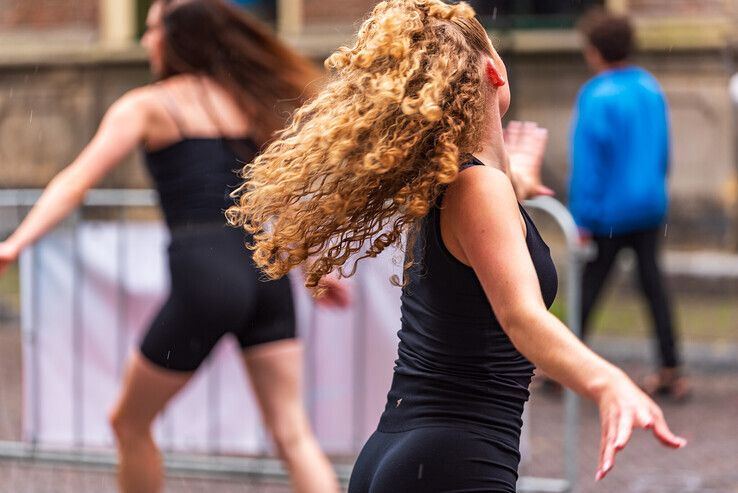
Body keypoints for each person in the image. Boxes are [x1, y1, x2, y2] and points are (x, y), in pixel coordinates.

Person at [227, 1, 686, 491]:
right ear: (493, 69)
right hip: (454, 460)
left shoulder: (451, 184)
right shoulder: (478, 189)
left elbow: (490, 209)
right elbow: (521, 316)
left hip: (407, 452)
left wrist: (519, 181)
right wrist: (606, 382)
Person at [0, 1, 345, 492]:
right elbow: (284, 196)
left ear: (177, 38)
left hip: (207, 276)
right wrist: (312, 266)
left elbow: (76, 182)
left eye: (151, 30)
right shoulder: (248, 100)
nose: (145, 42)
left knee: (129, 423)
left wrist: (16, 242)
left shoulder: (148, 105)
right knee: (292, 433)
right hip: (266, 274)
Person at [570, 8, 688, 399]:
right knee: (654, 287)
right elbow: (665, 150)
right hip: (650, 206)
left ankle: (563, 366)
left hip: (607, 213)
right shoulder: (650, 87)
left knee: (588, 291)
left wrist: (582, 219)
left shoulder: (596, 95)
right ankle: (672, 368)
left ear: (594, 51)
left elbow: (589, 166)